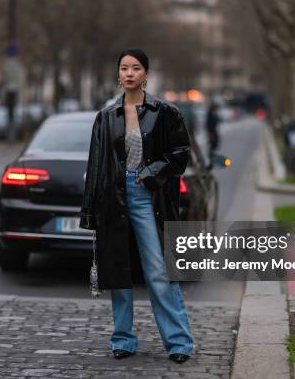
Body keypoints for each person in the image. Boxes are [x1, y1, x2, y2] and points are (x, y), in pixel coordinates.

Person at [79, 48, 194, 364]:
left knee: (158, 270)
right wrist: (90, 211)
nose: (129, 73)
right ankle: (123, 340)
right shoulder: (105, 117)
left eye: (136, 68)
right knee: (118, 271)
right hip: (112, 197)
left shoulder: (165, 113)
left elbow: (181, 153)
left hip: (147, 196)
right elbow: (97, 164)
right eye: (124, 68)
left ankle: (179, 343)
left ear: (146, 74)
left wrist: (151, 172)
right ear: (118, 74)